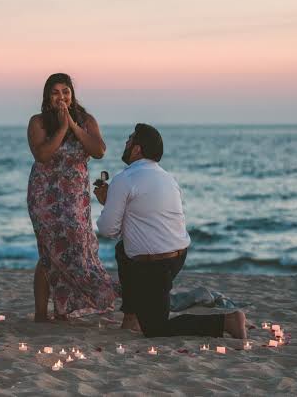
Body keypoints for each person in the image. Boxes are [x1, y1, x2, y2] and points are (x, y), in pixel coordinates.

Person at [94, 123, 246, 338]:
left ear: (137, 149)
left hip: (154, 266)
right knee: (123, 250)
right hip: (178, 256)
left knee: (156, 329)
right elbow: (144, 219)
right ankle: (131, 317)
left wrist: (108, 203)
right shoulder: (167, 178)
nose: (125, 144)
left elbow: (108, 229)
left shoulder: (124, 179)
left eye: (129, 140)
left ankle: (227, 321)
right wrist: (112, 202)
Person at [27, 73, 118, 321]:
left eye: (65, 91)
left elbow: (98, 150)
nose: (61, 97)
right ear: (47, 96)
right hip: (45, 196)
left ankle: (64, 309)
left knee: (77, 247)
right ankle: (41, 314)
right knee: (49, 252)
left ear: (72, 94)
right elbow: (42, 155)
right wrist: (62, 128)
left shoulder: (86, 120)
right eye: (55, 92)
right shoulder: (38, 122)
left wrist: (74, 126)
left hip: (76, 196)